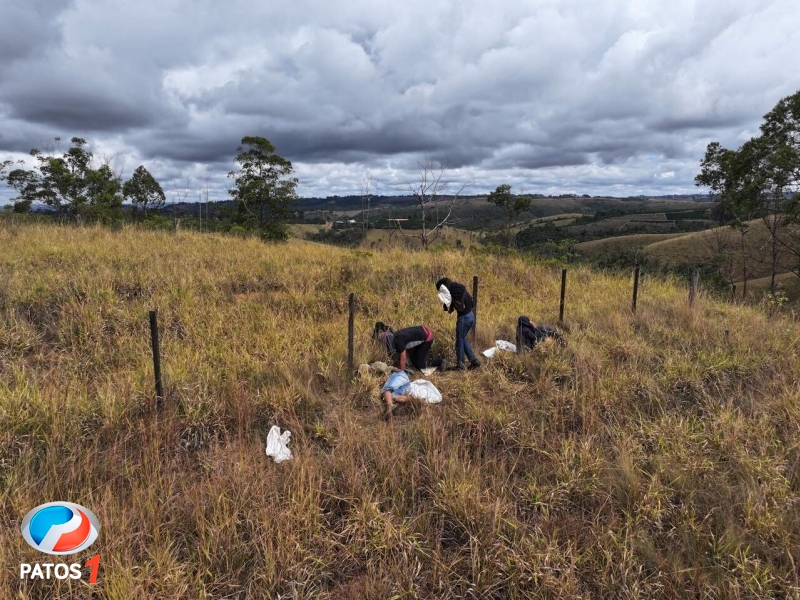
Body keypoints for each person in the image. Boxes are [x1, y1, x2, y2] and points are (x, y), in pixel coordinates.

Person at [435, 277, 481, 370]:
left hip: (464, 317)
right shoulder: (457, 287)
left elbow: (449, 301)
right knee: (462, 339)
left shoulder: (452, 290)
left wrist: (448, 307)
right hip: (471, 315)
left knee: (459, 341)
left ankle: (460, 365)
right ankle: (474, 361)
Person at [372, 322, 448, 372]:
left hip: (427, 337)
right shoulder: (396, 335)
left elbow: (403, 358)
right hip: (422, 330)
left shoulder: (398, 342)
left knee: (418, 363)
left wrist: (400, 372)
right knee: (414, 359)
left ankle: (441, 362)